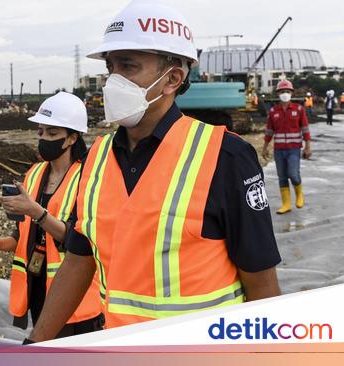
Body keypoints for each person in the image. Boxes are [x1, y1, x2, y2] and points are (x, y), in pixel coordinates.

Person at [26, 1, 281, 343]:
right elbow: (79, 259)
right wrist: (34, 344)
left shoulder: (226, 157)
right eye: (110, 67)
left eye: (128, 66)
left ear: (172, 79)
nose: (112, 80)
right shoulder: (96, 159)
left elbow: (261, 282)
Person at [0, 92, 103, 338]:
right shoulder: (34, 174)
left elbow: (78, 240)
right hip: (38, 288)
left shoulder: (88, 179)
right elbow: (24, 235)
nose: (44, 138)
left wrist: (35, 211)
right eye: (41, 132)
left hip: (74, 296)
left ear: (72, 138)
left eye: (52, 133)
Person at [262, 80, 311, 214]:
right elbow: (269, 131)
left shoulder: (299, 109)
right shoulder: (273, 111)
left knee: (293, 175)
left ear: (291, 93)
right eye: (282, 92)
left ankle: (299, 194)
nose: (285, 94)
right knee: (282, 177)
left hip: (294, 149)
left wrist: (307, 147)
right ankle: (286, 204)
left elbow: (305, 129)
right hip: (279, 150)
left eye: (287, 92)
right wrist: (265, 147)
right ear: (278, 94)